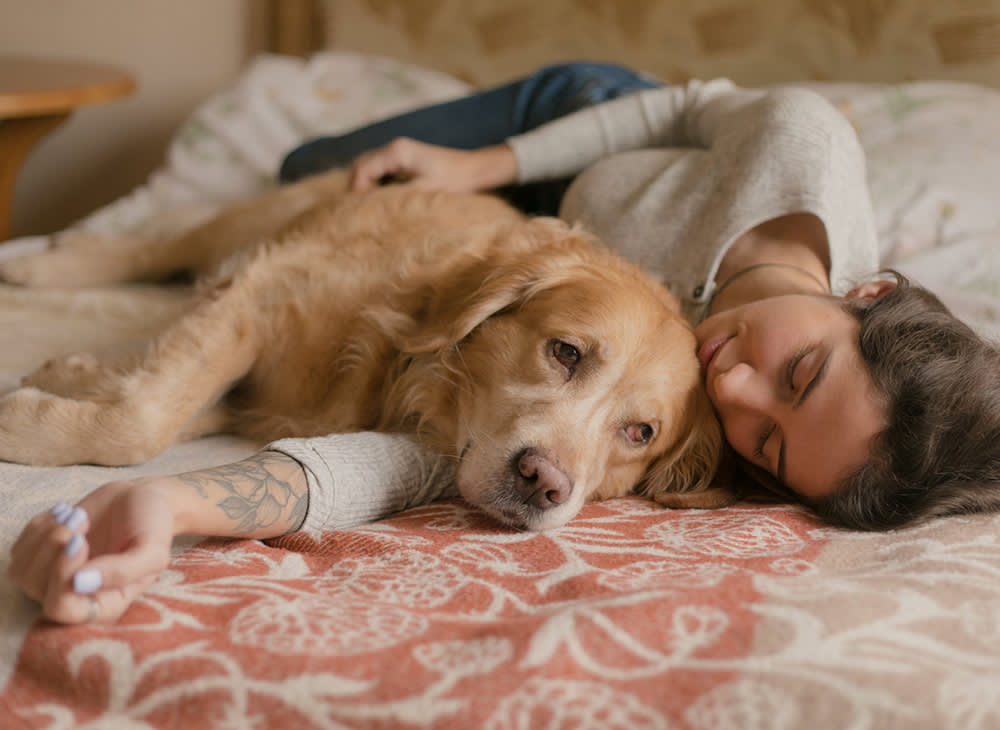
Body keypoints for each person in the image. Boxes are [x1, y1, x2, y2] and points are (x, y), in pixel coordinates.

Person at [10, 62, 1000, 625]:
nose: (737, 389)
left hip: (531, 239)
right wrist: (475, 164)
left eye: (772, 445)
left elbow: (412, 451)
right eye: (800, 369)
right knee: (319, 167)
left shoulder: (691, 422)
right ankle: (138, 247)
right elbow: (675, 110)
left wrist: (185, 500)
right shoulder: (806, 152)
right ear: (861, 291)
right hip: (575, 123)